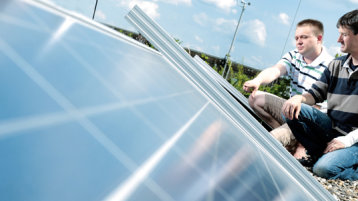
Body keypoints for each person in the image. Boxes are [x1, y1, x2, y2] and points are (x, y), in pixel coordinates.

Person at [282, 9, 358, 180]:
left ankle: (341, 165)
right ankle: (319, 154)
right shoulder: (336, 65)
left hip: (355, 140)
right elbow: (315, 94)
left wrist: (346, 141)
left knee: (323, 170)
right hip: (332, 129)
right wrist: (299, 98)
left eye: (344, 35)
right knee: (290, 108)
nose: (338, 40)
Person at [243, 19, 333, 159]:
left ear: (318, 38)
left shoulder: (330, 66)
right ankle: (289, 138)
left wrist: (302, 146)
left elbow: (320, 111)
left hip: (312, 121)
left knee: (269, 141)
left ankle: (298, 143)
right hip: (291, 112)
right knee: (256, 98)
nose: (299, 41)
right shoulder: (294, 56)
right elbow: (275, 70)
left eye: (304, 37)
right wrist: (257, 80)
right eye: (296, 38)